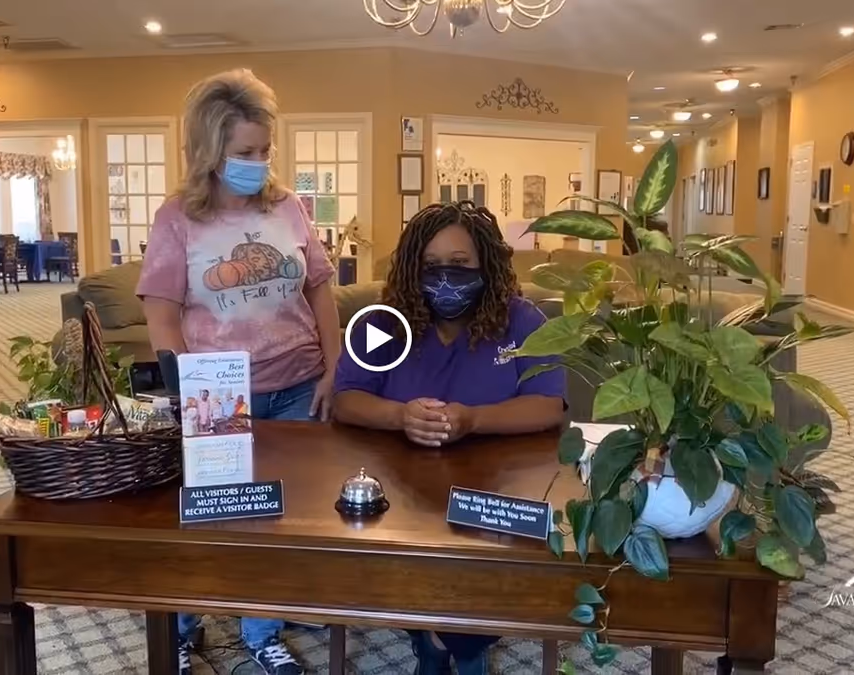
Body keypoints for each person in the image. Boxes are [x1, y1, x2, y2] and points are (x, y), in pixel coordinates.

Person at [136, 68, 341, 675]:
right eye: (245, 152)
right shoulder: (178, 218)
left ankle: (262, 630)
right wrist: (190, 394)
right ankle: (185, 623)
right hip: (219, 394)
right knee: (212, 514)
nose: (259, 162)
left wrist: (334, 370)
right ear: (210, 152)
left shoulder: (289, 207)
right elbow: (162, 316)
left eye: (265, 149)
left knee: (280, 516)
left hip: (298, 384)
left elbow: (323, 291)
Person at [332, 201, 567, 674]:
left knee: (513, 559)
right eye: (431, 266)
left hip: (498, 487)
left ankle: (443, 641)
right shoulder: (384, 322)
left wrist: (473, 420)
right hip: (403, 489)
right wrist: (401, 416)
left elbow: (549, 404)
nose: (445, 278)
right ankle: (453, 639)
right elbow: (346, 399)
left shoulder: (522, 322)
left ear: (487, 265)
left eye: (459, 266)